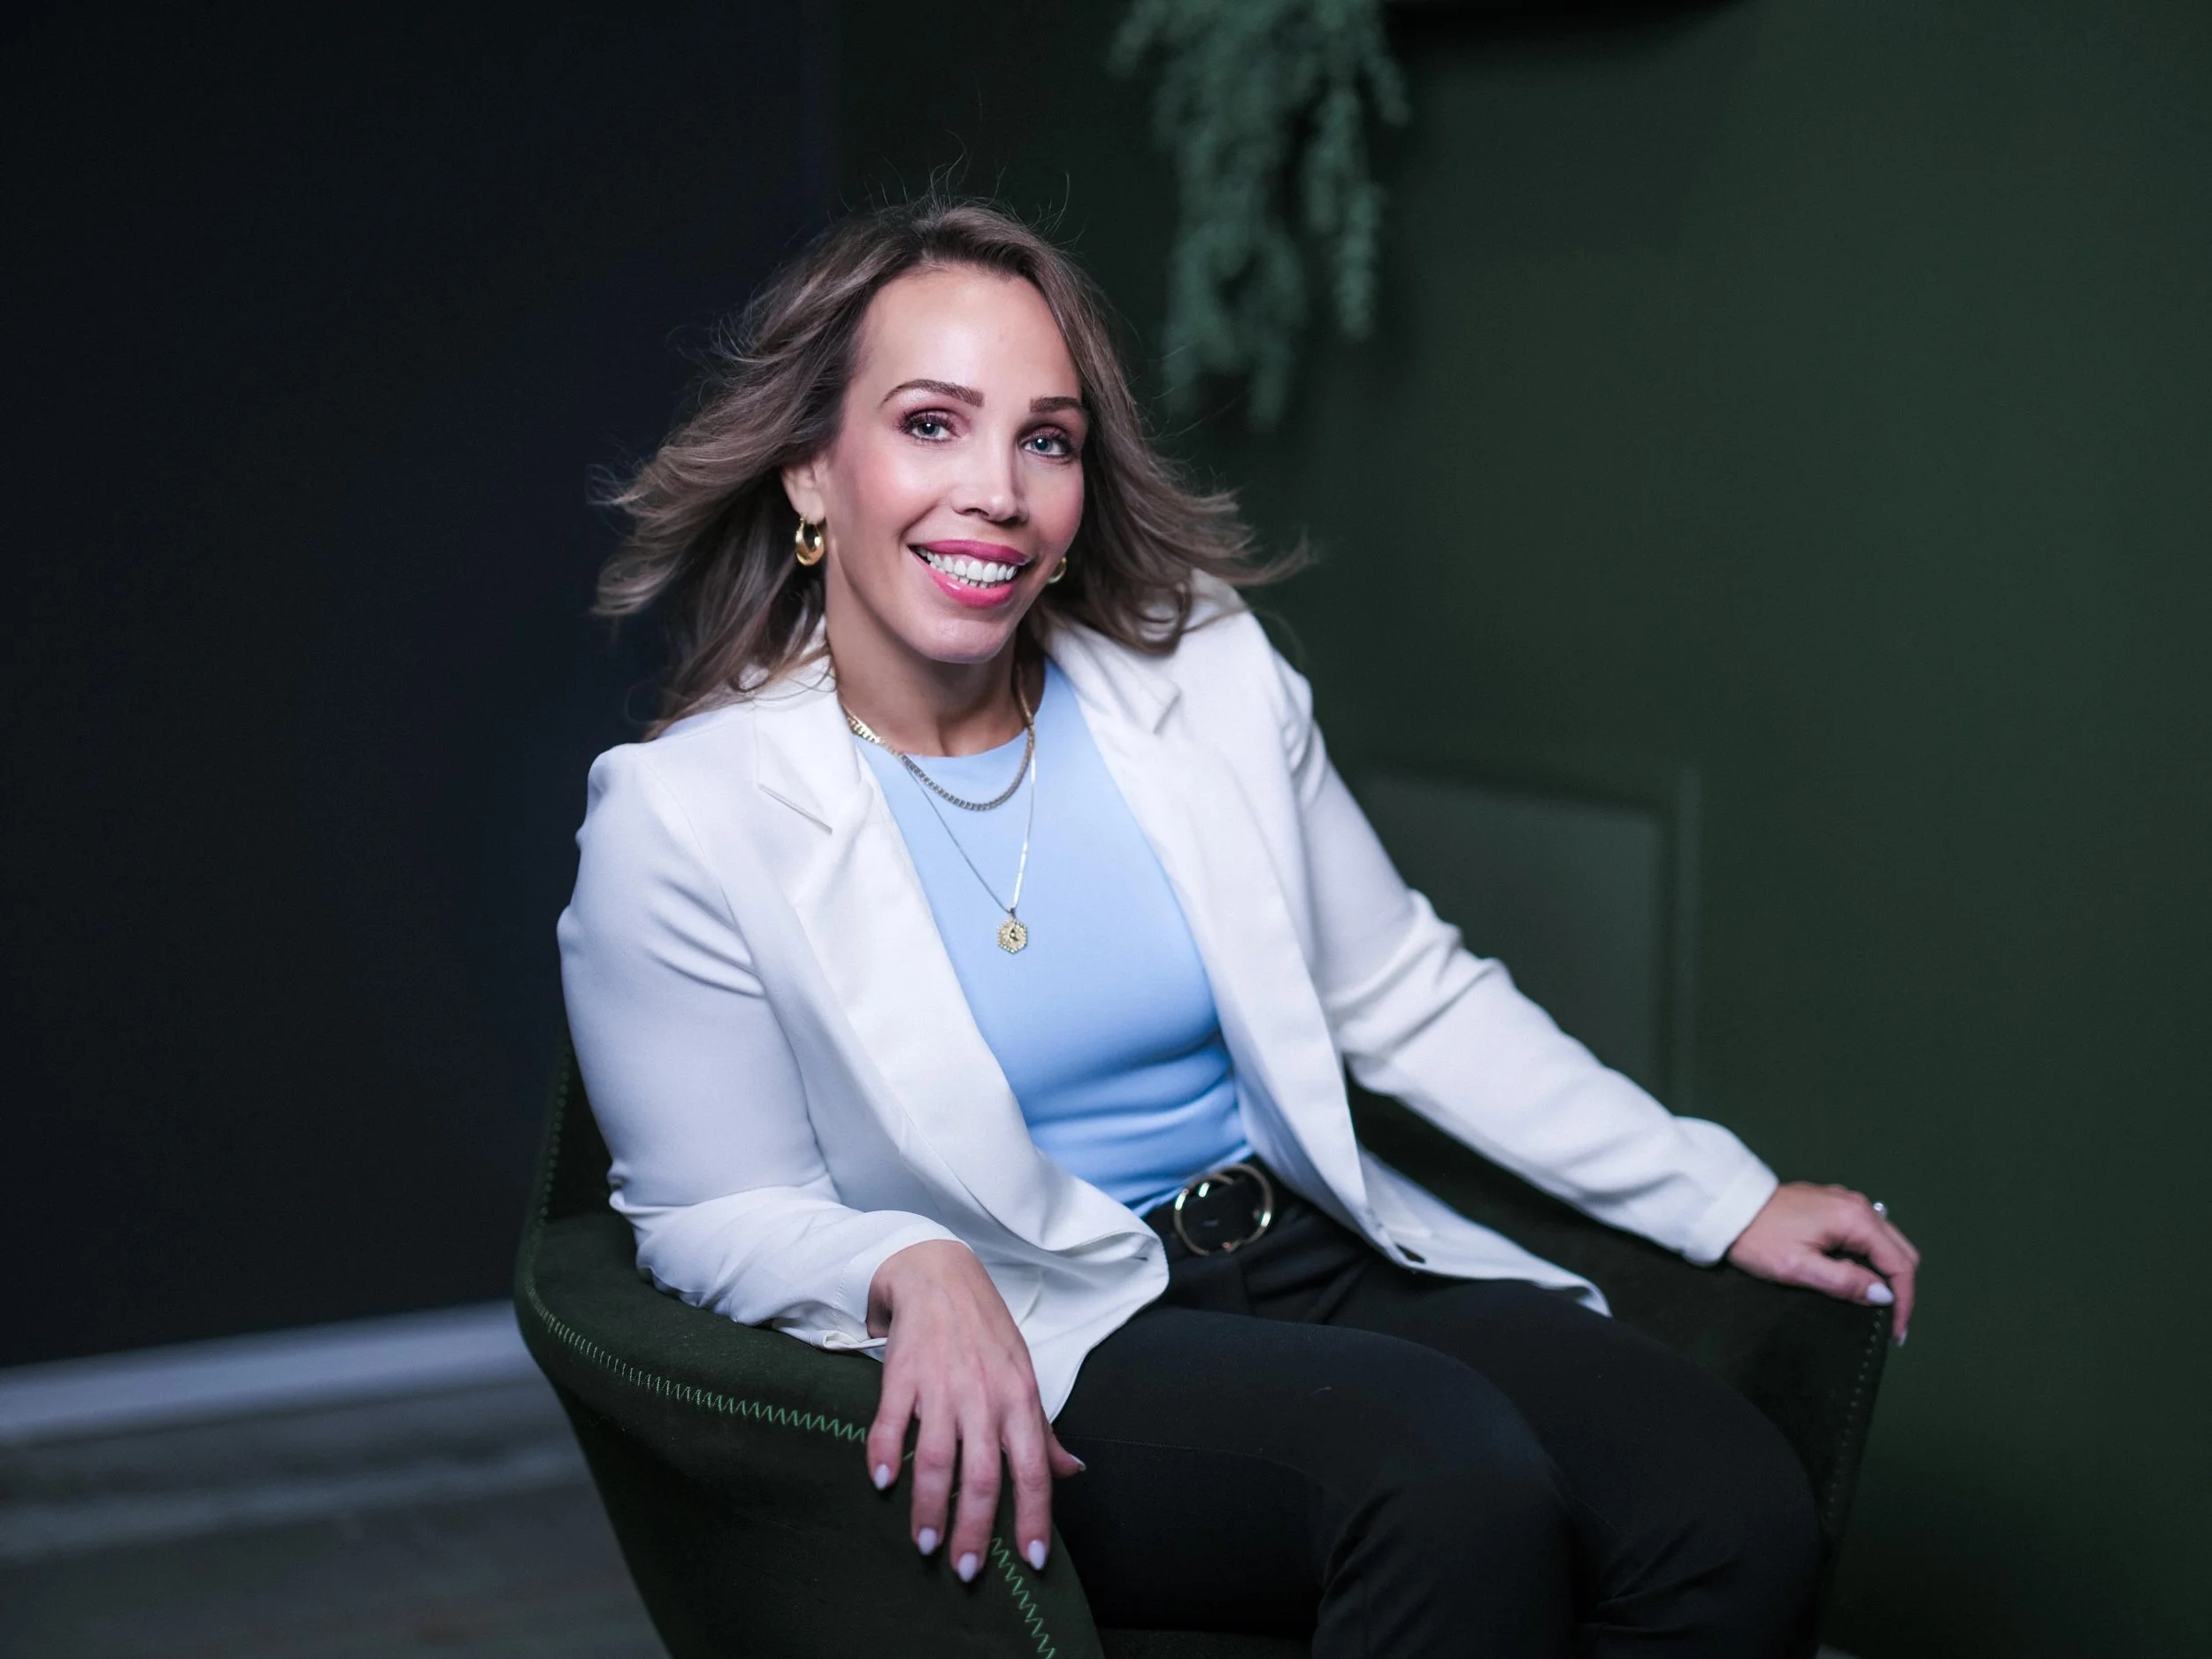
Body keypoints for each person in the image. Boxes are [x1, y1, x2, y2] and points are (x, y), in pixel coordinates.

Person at [557, 196, 1921, 1658]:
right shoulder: (684, 812)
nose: (998, 493)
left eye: (1048, 438)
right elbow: (701, 1210)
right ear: (812, 470)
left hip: (1307, 1253)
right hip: (1061, 1325)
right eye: (933, 424)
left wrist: (1719, 1194)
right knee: (1445, 1479)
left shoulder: (1202, 666)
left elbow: (1402, 987)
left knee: (1729, 1506)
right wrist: (900, 1263)